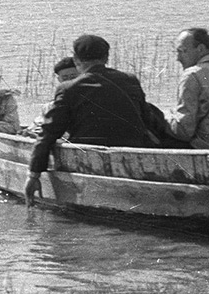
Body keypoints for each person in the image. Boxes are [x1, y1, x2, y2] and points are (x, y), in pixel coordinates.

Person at [25, 34, 157, 205]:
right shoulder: (130, 80)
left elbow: (49, 133)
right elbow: (148, 121)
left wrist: (33, 175)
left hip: (88, 163)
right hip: (132, 158)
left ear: (76, 59)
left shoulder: (68, 89)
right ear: (106, 57)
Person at [23, 56, 80, 137]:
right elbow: (39, 125)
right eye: (65, 78)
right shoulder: (50, 106)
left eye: (73, 77)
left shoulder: (91, 99)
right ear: (59, 79)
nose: (69, 81)